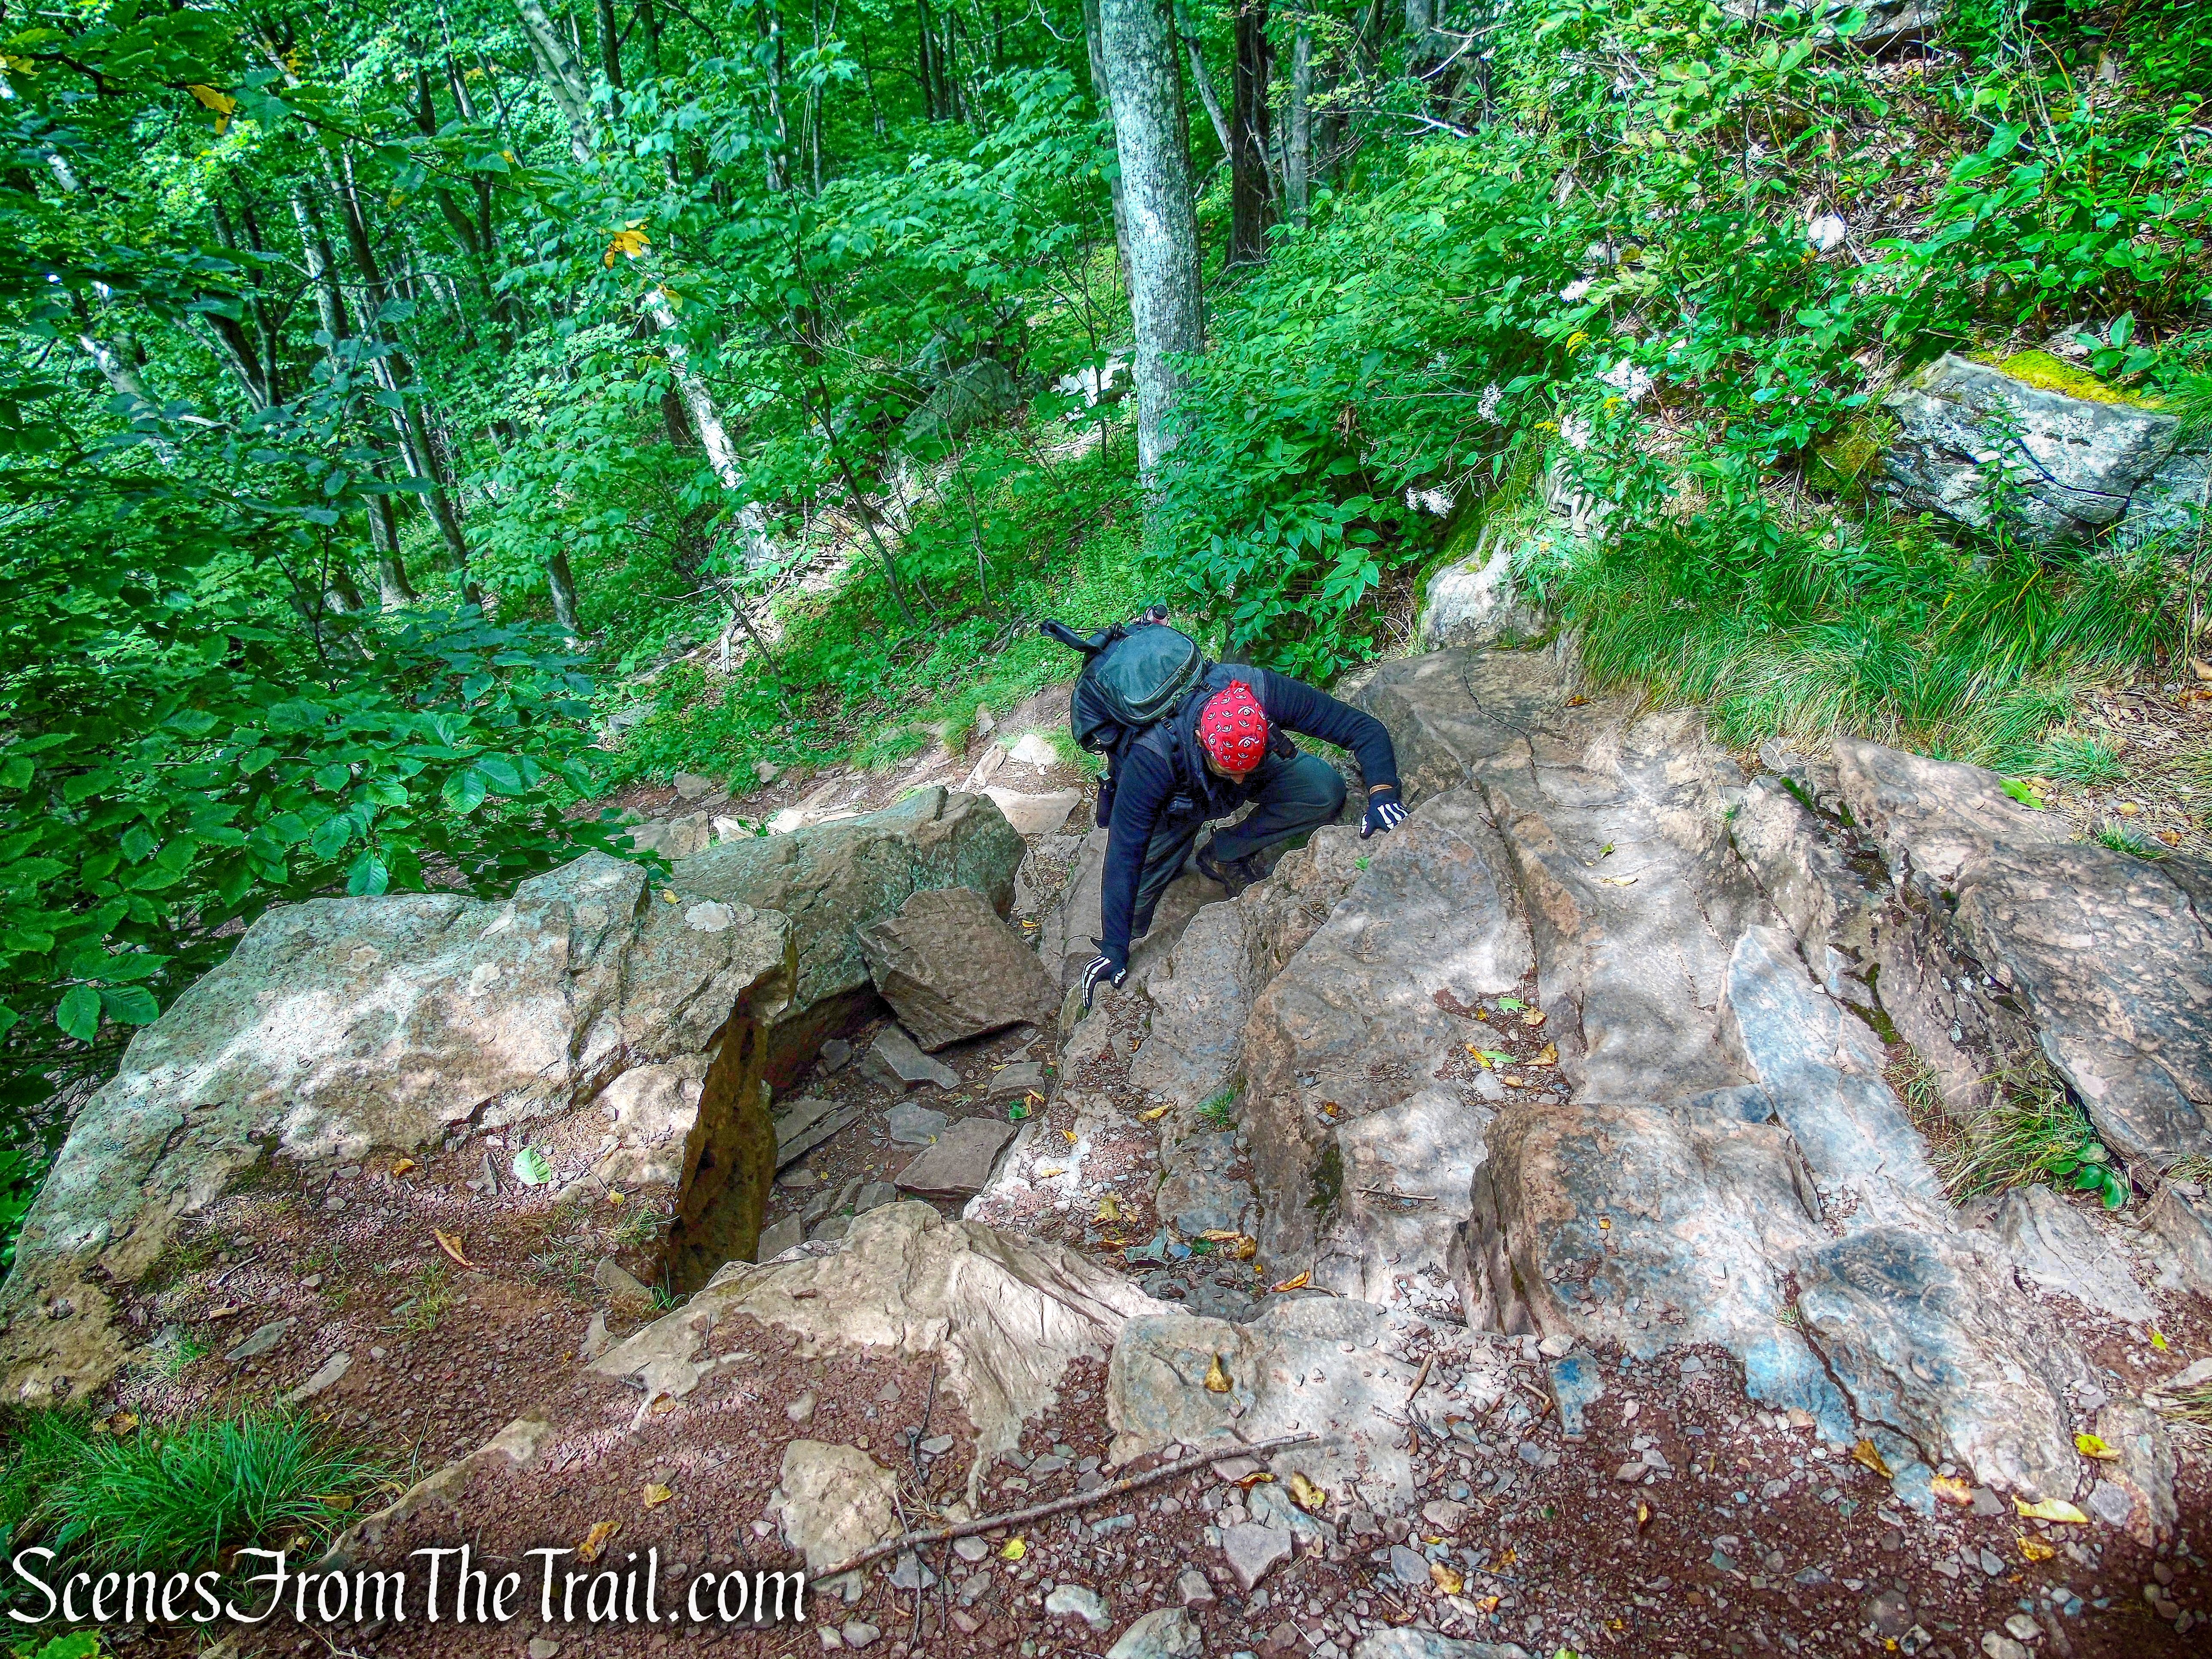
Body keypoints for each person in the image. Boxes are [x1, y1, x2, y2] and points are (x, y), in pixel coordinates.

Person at [1079, 668, 1407, 1008]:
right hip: (1173, 801)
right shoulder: (1151, 759)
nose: (1237, 780)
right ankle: (1173, 855)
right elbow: (1123, 855)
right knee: (1133, 904)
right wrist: (1115, 948)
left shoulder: (1262, 693)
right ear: (1201, 739)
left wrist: (1383, 793)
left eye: (1245, 768)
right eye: (1229, 771)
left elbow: (1362, 728)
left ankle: (1223, 852)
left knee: (1322, 791)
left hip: (1234, 768)